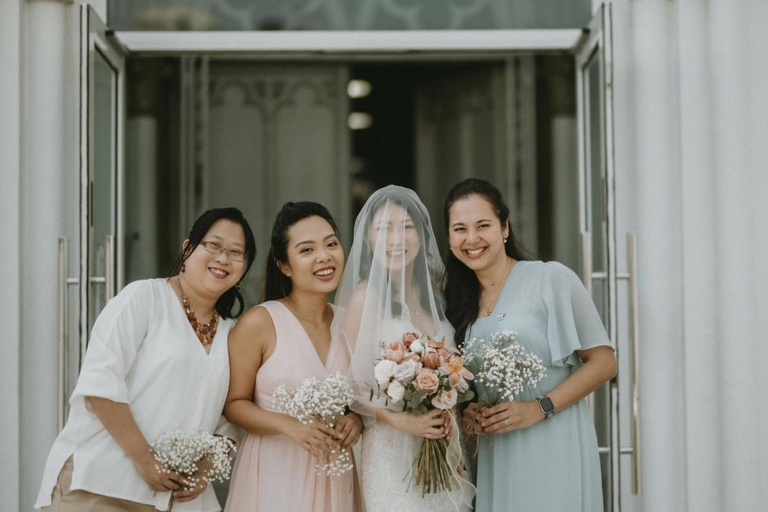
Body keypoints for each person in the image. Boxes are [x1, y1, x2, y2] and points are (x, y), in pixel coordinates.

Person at [36, 207, 257, 512]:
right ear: (188, 247)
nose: (223, 258)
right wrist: (144, 459)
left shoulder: (233, 333)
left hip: (178, 500)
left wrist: (206, 467)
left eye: (236, 252)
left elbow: (230, 418)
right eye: (214, 245)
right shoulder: (143, 298)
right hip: (102, 484)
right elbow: (100, 384)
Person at [443, 178, 617, 511]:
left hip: (555, 440)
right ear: (450, 238)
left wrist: (540, 407)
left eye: (483, 225)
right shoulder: (457, 302)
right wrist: (471, 411)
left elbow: (604, 362)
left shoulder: (550, 279)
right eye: (460, 229)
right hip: (500, 453)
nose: (472, 239)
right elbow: (469, 382)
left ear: (504, 227)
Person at [336, 185, 474, 512]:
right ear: (369, 238)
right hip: (389, 452)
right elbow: (353, 386)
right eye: (384, 228)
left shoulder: (439, 298)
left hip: (443, 450)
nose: (397, 238)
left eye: (407, 227)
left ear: (422, 234)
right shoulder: (363, 299)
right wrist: (402, 421)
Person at [224, 202, 362, 512]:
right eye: (307, 250)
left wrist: (357, 419)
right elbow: (233, 405)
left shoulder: (351, 323)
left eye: (331, 244)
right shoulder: (260, 322)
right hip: (276, 475)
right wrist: (289, 426)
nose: (324, 256)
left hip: (335, 476)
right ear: (284, 266)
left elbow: (363, 398)